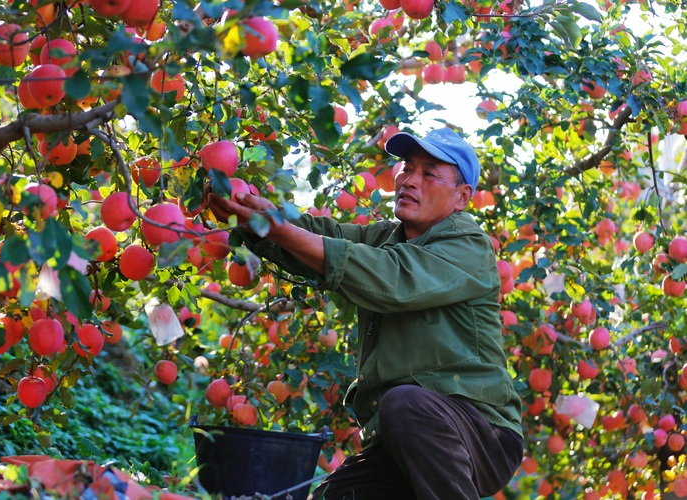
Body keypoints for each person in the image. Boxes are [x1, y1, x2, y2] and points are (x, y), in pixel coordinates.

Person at [207, 127, 524, 499]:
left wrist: (277, 229)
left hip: (480, 431)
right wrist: (257, 219)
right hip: (401, 434)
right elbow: (322, 237)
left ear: (462, 197)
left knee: (405, 402)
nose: (409, 179)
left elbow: (394, 279)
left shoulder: (468, 245)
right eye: (406, 167)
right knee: (334, 495)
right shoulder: (384, 238)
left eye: (428, 172)